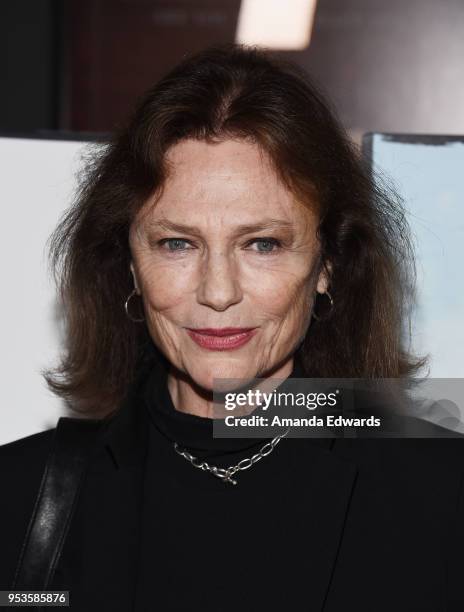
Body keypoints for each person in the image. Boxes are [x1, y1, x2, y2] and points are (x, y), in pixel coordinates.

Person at [1, 43, 463, 611]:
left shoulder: (443, 493)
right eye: (177, 243)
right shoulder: (18, 497)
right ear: (128, 264)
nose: (218, 292)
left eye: (262, 244)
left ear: (328, 265)